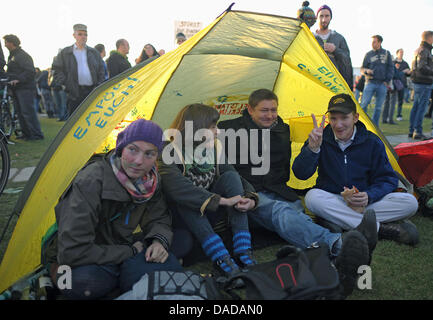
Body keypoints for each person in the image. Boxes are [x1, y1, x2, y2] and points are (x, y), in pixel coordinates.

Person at [218, 89, 375, 296]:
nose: (270, 115)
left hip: (278, 191)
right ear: (249, 109)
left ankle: (335, 264)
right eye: (264, 110)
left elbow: (285, 171)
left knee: (294, 213)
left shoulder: (281, 129)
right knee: (281, 212)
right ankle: (338, 244)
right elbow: (226, 173)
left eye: (274, 110)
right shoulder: (227, 130)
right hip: (249, 193)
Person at [46, 119, 183, 299]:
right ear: (121, 148)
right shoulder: (91, 181)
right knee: (78, 283)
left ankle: (129, 278)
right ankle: (134, 278)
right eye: (132, 150)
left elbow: (159, 218)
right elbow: (73, 250)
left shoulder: (151, 181)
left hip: (121, 245)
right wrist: (131, 252)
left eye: (149, 154)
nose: (139, 161)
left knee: (180, 246)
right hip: (86, 256)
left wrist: (158, 242)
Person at [292, 93, 419, 247]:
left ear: (355, 117)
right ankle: (383, 230)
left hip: (365, 203)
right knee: (312, 198)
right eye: (333, 118)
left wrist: (369, 196)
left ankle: (337, 221)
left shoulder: (372, 141)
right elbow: (300, 174)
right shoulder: (320, 138)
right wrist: (312, 149)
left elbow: (387, 179)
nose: (338, 125)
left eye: (344, 118)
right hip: (333, 198)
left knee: (410, 202)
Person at [158, 104, 258, 279]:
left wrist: (250, 198)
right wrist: (223, 201)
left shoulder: (214, 148)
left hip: (209, 213)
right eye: (213, 127)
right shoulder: (168, 151)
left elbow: (232, 174)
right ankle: (221, 259)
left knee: (230, 177)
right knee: (187, 199)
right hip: (182, 217)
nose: (218, 132)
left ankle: (243, 250)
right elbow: (178, 189)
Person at [52, 24, 105, 119]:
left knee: (92, 119)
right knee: (74, 120)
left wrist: (99, 85)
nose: (83, 37)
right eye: (80, 34)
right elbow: (56, 70)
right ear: (74, 35)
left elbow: (101, 70)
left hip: (92, 91)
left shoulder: (93, 52)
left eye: (85, 34)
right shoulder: (65, 52)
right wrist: (66, 85)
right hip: (74, 92)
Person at [3, 34, 43, 140]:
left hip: (25, 88)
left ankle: (36, 134)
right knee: (20, 112)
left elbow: (30, 71)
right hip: (17, 88)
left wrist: (19, 79)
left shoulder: (22, 55)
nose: (5, 44)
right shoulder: (12, 55)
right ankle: (26, 134)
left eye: (6, 42)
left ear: (12, 43)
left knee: (27, 112)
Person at [314, 4, 353, 88]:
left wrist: (335, 50)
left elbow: (347, 60)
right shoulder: (310, 37)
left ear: (331, 17)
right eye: (321, 16)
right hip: (316, 81)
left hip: (335, 84)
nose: (324, 19)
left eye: (327, 16)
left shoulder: (339, 38)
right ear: (317, 17)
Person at [360, 35, 394, 126]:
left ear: (379, 42)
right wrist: (367, 71)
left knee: (378, 108)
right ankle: (363, 125)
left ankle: (375, 127)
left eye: (374, 42)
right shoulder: (368, 54)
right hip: (370, 82)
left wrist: (387, 80)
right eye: (372, 42)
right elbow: (362, 68)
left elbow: (391, 68)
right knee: (363, 105)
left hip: (382, 84)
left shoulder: (386, 53)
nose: (372, 44)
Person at [409, 31, 433, 140]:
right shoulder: (425, 50)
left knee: (416, 107)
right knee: (421, 108)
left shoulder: (418, 50)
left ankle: (412, 130)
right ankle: (417, 131)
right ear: (429, 38)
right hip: (424, 82)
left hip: (418, 82)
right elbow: (422, 67)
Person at [394, 49, 411, 121]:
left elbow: (408, 74)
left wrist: (409, 72)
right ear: (397, 53)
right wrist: (403, 71)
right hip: (394, 84)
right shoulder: (393, 62)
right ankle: (388, 116)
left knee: (401, 101)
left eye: (403, 53)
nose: (402, 54)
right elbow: (393, 73)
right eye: (400, 52)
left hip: (402, 84)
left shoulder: (405, 63)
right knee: (391, 101)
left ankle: (399, 115)